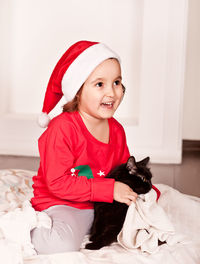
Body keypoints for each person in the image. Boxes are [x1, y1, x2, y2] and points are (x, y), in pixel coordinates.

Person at [30, 40, 138, 255]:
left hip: (100, 202)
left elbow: (123, 171)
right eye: (100, 84)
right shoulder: (63, 129)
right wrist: (109, 190)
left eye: (116, 82)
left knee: (149, 221)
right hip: (66, 202)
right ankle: (31, 228)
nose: (112, 92)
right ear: (78, 91)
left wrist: (137, 191)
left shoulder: (116, 129)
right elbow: (58, 183)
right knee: (59, 245)